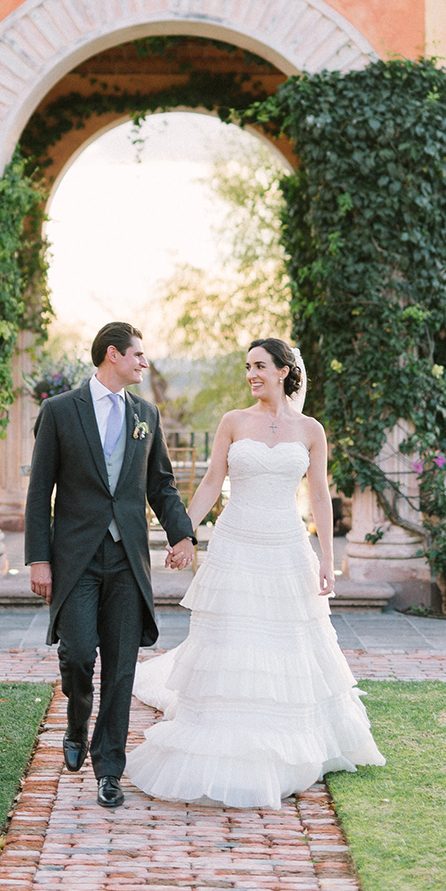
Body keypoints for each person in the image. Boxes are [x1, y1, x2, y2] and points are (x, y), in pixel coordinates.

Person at [124, 337, 386, 809]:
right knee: (233, 639)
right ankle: (225, 726)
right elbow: (209, 483)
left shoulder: (310, 430)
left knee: (284, 642)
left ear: (285, 371)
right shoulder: (233, 422)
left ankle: (285, 736)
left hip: (286, 548)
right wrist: (181, 533)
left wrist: (328, 559)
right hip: (236, 546)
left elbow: (321, 497)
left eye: (261, 366)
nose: (252, 374)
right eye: (247, 367)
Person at [25, 321, 196, 809]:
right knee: (78, 654)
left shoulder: (147, 413)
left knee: (121, 669)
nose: (144, 363)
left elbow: (159, 484)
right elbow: (41, 491)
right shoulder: (59, 412)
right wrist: (39, 558)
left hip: (127, 560)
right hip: (75, 558)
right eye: (138, 354)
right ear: (113, 356)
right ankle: (77, 722)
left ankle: (109, 769)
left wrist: (182, 532)